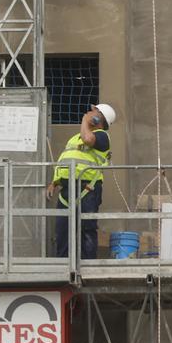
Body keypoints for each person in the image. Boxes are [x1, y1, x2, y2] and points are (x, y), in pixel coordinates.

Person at [47, 103, 117, 259]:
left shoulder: (102, 136)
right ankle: (63, 265)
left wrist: (85, 120)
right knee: (63, 230)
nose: (88, 113)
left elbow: (88, 139)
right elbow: (67, 160)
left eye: (93, 112)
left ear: (100, 117)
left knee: (87, 229)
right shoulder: (75, 137)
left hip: (87, 189)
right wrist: (54, 183)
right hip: (67, 189)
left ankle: (88, 265)